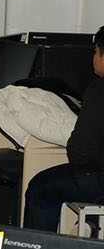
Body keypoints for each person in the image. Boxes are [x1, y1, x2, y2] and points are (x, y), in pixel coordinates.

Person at [23, 25, 104, 232]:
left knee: (40, 187)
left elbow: (80, 152)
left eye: (96, 51)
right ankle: (91, 225)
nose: (93, 57)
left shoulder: (98, 91)